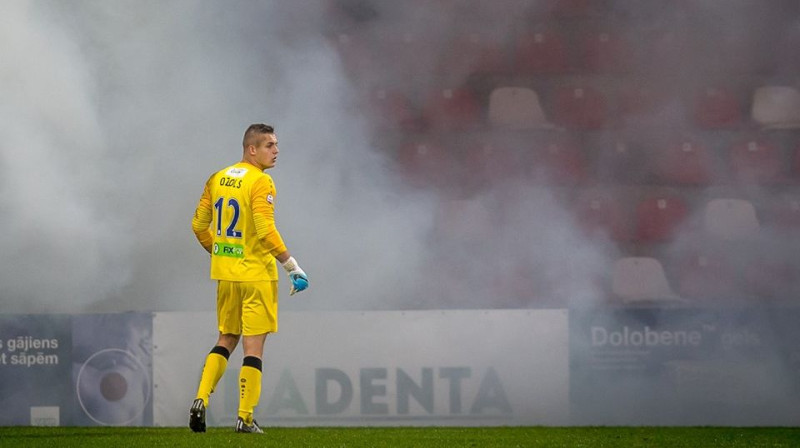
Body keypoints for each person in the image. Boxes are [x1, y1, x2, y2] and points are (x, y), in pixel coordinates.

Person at [188, 123, 309, 433]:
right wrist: (291, 265)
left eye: (276, 145)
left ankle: (201, 398)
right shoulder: (261, 182)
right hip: (256, 275)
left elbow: (199, 226)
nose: (276, 151)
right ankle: (244, 417)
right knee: (253, 349)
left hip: (226, 275)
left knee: (226, 338)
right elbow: (266, 231)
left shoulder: (217, 178)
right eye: (269, 145)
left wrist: (219, 252)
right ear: (251, 149)